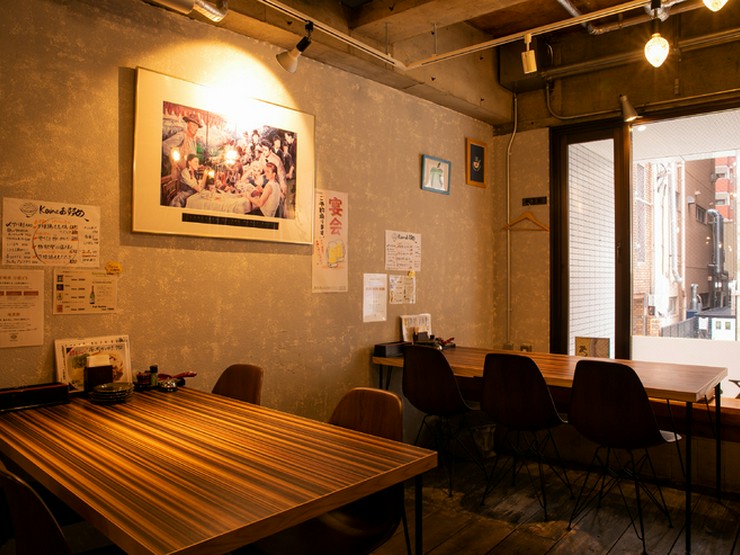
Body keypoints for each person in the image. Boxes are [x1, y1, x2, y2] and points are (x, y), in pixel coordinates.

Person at [162, 114, 201, 179]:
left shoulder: (193, 140)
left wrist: (196, 165)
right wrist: (174, 162)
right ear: (187, 124)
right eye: (193, 125)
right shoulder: (182, 135)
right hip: (180, 176)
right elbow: (164, 145)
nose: (196, 128)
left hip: (189, 176)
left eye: (197, 126)